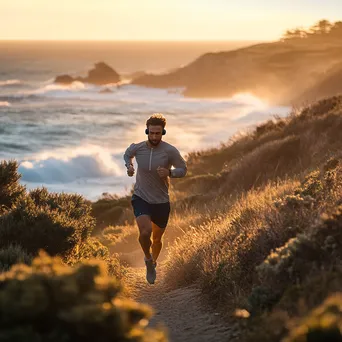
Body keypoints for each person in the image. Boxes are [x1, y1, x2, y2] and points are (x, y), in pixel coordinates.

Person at [123, 113, 187, 284]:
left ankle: (153, 262)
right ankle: (147, 258)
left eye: (158, 133)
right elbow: (127, 154)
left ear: (163, 132)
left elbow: (183, 169)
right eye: (151, 133)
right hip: (141, 197)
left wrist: (170, 173)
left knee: (157, 240)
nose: (154, 136)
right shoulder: (138, 148)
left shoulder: (170, 151)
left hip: (161, 201)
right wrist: (129, 166)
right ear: (147, 131)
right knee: (145, 233)